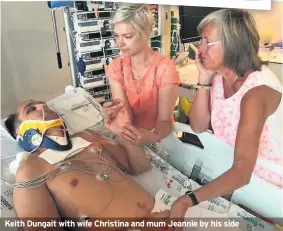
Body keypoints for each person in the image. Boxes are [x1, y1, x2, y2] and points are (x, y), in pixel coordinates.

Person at [168, 9, 282, 229]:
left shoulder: (256, 92)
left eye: (207, 42)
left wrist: (188, 199)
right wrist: (203, 78)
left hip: (270, 187)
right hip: (235, 178)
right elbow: (199, 126)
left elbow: (242, 171)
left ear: (232, 44)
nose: (199, 50)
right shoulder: (220, 79)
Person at [4, 100, 169, 231]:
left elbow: (139, 167)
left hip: (165, 214)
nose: (42, 106)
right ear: (21, 133)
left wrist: (124, 130)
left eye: (44, 104)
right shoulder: (31, 169)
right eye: (31, 109)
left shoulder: (88, 137)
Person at [103, 4, 180, 146]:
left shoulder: (164, 68)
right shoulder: (116, 67)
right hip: (130, 137)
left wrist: (153, 136)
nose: (119, 43)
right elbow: (126, 117)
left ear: (146, 32)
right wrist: (114, 115)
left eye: (127, 36)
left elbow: (165, 121)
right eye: (117, 36)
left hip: (158, 140)